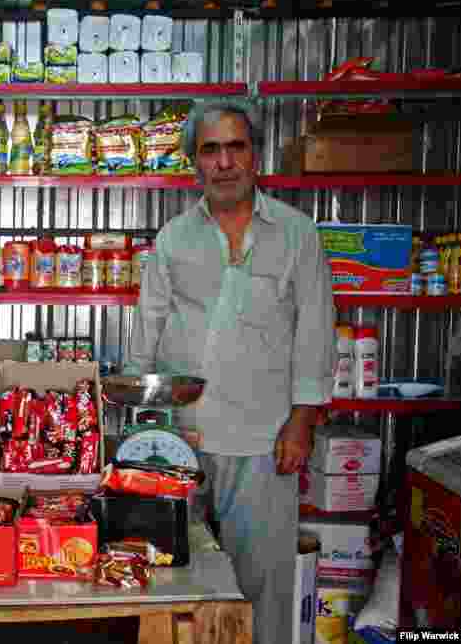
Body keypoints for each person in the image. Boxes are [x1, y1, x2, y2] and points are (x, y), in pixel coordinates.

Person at [126, 99, 335, 644]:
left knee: (261, 584)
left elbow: (315, 331)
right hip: (181, 438)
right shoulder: (173, 239)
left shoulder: (297, 234)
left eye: (235, 147)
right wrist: (137, 425)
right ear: (195, 161)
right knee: (173, 576)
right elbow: (146, 329)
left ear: (255, 155)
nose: (224, 162)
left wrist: (301, 421)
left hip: (265, 439)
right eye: (210, 149)